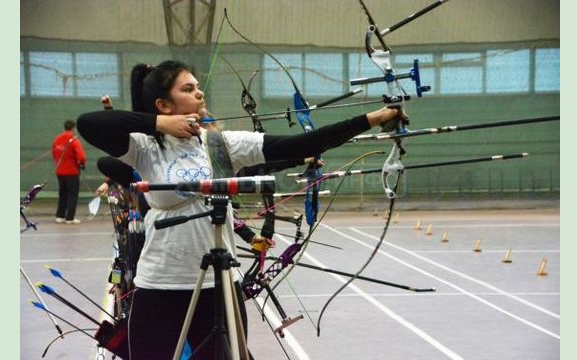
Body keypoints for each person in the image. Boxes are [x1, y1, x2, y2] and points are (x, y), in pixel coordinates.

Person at [77, 60, 406, 359]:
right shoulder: (145, 147)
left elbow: (300, 144)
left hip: (217, 284)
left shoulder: (220, 144)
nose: (199, 92)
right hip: (160, 282)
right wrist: (161, 124)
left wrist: (373, 118)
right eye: (187, 89)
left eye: (197, 86)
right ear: (164, 104)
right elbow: (89, 124)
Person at [52, 119, 87, 224]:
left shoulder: (57, 139)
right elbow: (81, 156)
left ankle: (60, 216)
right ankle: (70, 218)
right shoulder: (74, 140)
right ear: (74, 128)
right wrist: (82, 164)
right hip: (72, 172)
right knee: (72, 194)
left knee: (62, 193)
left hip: (59, 171)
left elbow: (54, 154)